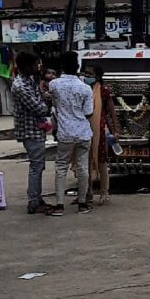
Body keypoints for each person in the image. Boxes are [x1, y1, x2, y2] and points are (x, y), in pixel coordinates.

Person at [48, 51, 95, 215]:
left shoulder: (54, 85)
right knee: (83, 167)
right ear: (78, 67)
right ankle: (82, 203)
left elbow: (54, 106)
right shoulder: (85, 88)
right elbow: (88, 113)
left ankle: (59, 205)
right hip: (83, 132)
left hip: (65, 132)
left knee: (61, 166)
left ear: (61, 66)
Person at [11, 51, 56, 215]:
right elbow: (38, 108)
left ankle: (37, 198)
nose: (38, 67)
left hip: (36, 129)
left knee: (39, 165)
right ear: (27, 66)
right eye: (35, 64)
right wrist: (45, 101)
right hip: (29, 130)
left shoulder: (29, 80)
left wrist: (43, 97)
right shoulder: (20, 86)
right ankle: (34, 202)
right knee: (36, 166)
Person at [87, 65, 120, 205]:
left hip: (100, 130)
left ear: (98, 76)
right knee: (86, 162)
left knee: (101, 161)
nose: (86, 76)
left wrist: (116, 130)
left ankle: (104, 192)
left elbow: (111, 111)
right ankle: (88, 192)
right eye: (85, 73)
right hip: (85, 129)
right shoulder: (83, 89)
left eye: (90, 74)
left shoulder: (104, 90)